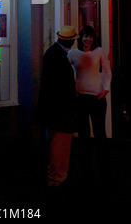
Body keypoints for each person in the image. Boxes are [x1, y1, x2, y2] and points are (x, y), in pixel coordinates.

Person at [67, 25, 112, 183]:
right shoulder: (73, 53)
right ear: (81, 37)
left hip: (97, 98)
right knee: (84, 135)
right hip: (81, 99)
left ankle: (104, 169)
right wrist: (73, 89)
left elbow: (107, 71)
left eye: (91, 36)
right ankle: (86, 170)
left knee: (100, 134)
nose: (88, 39)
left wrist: (105, 89)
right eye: (85, 36)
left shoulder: (99, 51)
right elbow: (65, 73)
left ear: (94, 38)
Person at [37, 25, 79, 189]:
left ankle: (53, 175)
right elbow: (63, 86)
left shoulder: (51, 53)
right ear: (70, 41)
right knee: (60, 146)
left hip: (52, 110)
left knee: (53, 143)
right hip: (61, 111)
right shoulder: (60, 56)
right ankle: (57, 178)